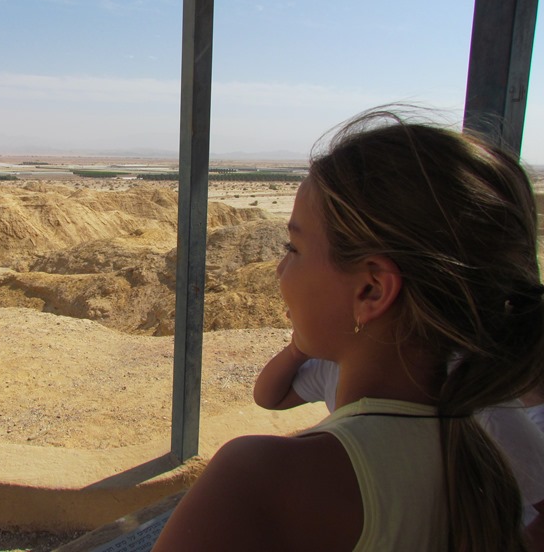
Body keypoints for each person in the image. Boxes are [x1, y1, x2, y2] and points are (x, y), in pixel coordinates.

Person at [152, 109, 544, 551]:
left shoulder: (262, 478)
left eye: (293, 248)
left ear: (372, 290)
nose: (279, 270)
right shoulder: (487, 467)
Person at [253, 344, 544, 528]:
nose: (279, 272)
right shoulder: (336, 365)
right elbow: (270, 398)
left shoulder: (469, 395)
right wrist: (297, 350)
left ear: (374, 292)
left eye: (296, 254)